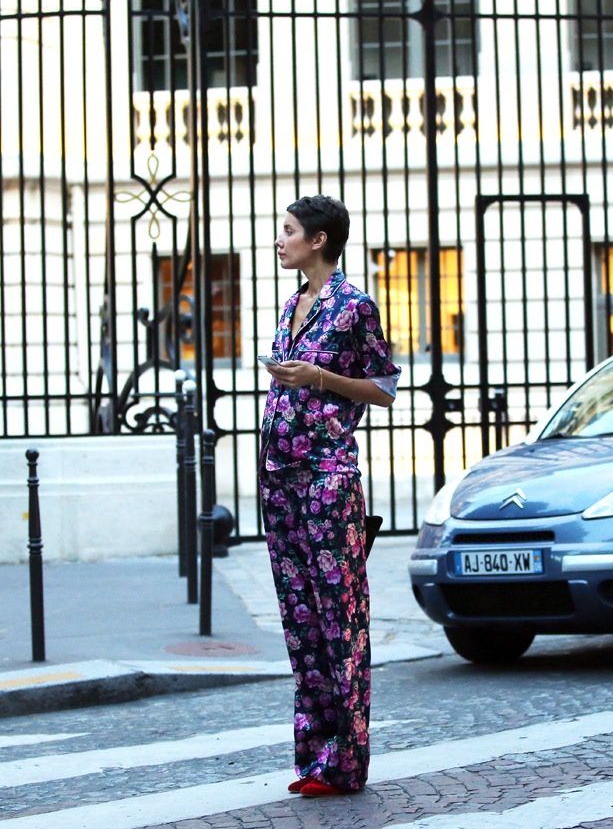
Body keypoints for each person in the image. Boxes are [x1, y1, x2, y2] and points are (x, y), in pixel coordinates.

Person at [258, 195, 401, 797]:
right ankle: (315, 757)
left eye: (288, 230)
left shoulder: (354, 306)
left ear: (318, 240)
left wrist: (319, 377)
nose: (279, 239)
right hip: (280, 482)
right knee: (302, 624)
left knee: (340, 622)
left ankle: (345, 762)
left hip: (327, 481)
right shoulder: (292, 304)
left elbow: (385, 388)